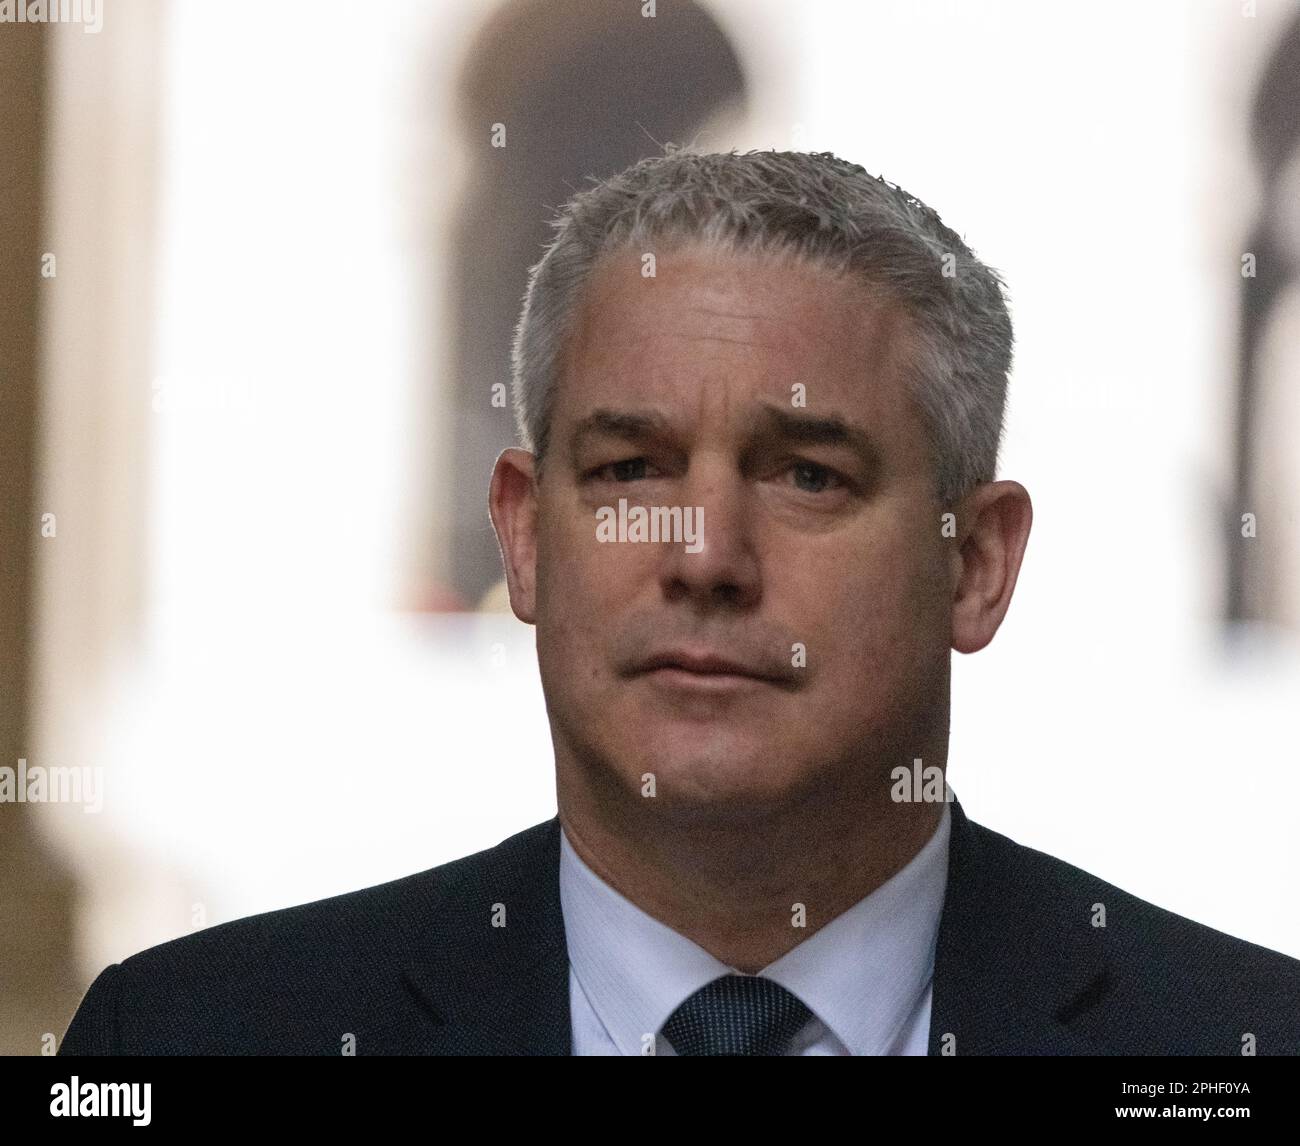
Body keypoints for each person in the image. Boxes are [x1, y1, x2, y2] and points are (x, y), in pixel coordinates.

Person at [60, 150, 1300, 1055]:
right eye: (628, 470)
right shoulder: (185, 1040)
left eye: (809, 474)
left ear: (974, 563)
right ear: (528, 538)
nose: (703, 553)